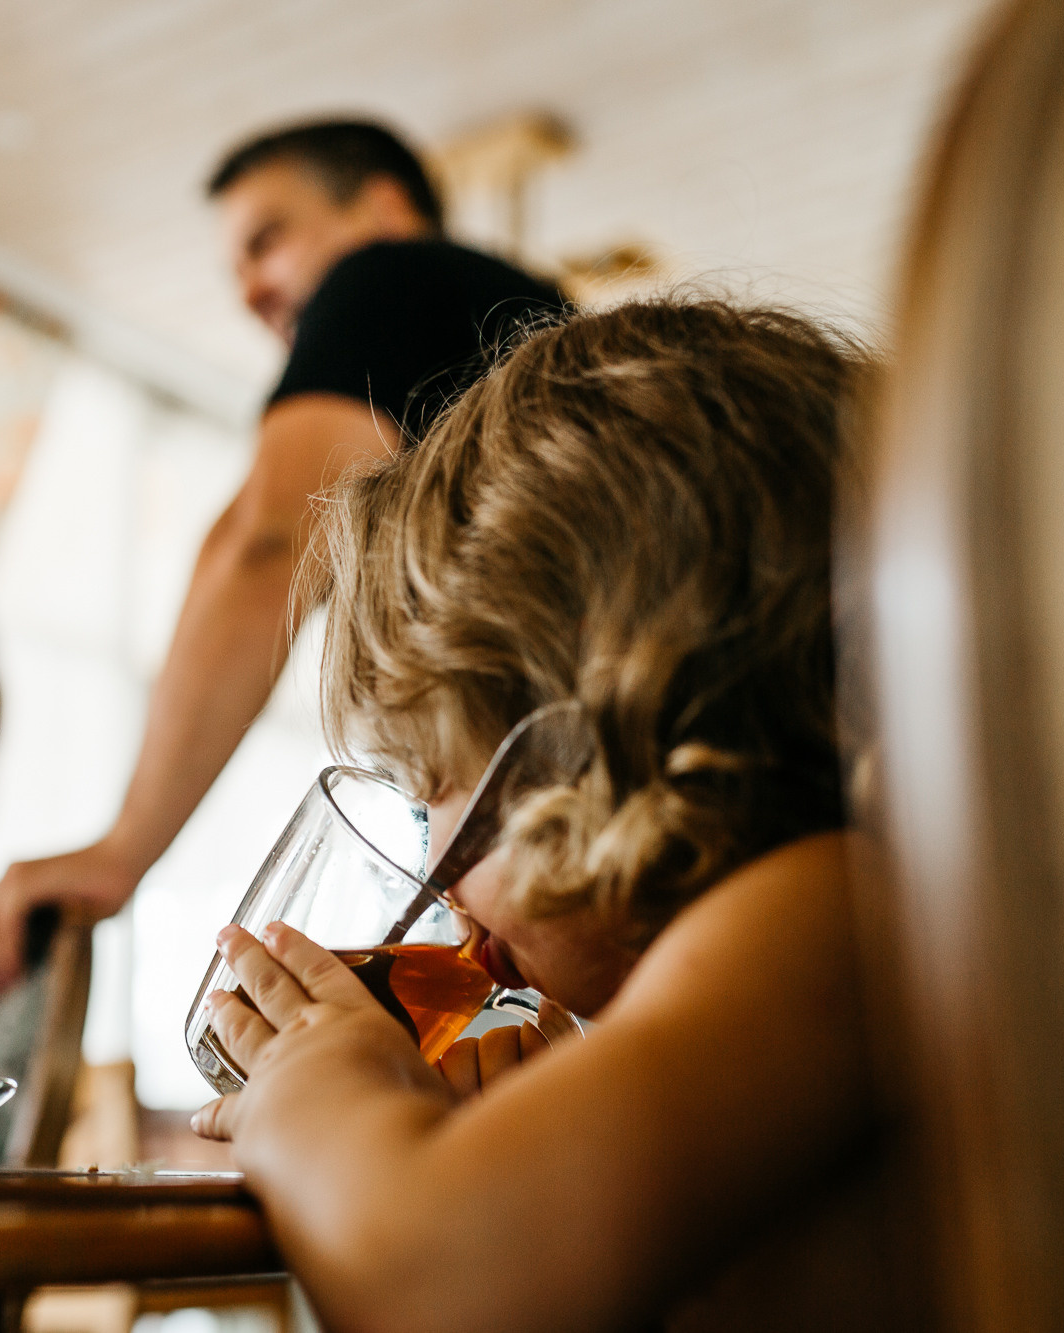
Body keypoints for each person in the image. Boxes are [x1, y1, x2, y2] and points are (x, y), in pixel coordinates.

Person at [189, 301, 911, 1330]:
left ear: (598, 729)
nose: (434, 878)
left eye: (434, 785)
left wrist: (320, 1084)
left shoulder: (831, 914)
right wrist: (493, 1146)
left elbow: (437, 1277)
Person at [0, 119, 569, 988]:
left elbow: (271, 541)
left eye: (267, 240)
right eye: (235, 270)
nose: (250, 290)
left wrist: (123, 848)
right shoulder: (532, 325)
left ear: (385, 208)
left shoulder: (383, 274)